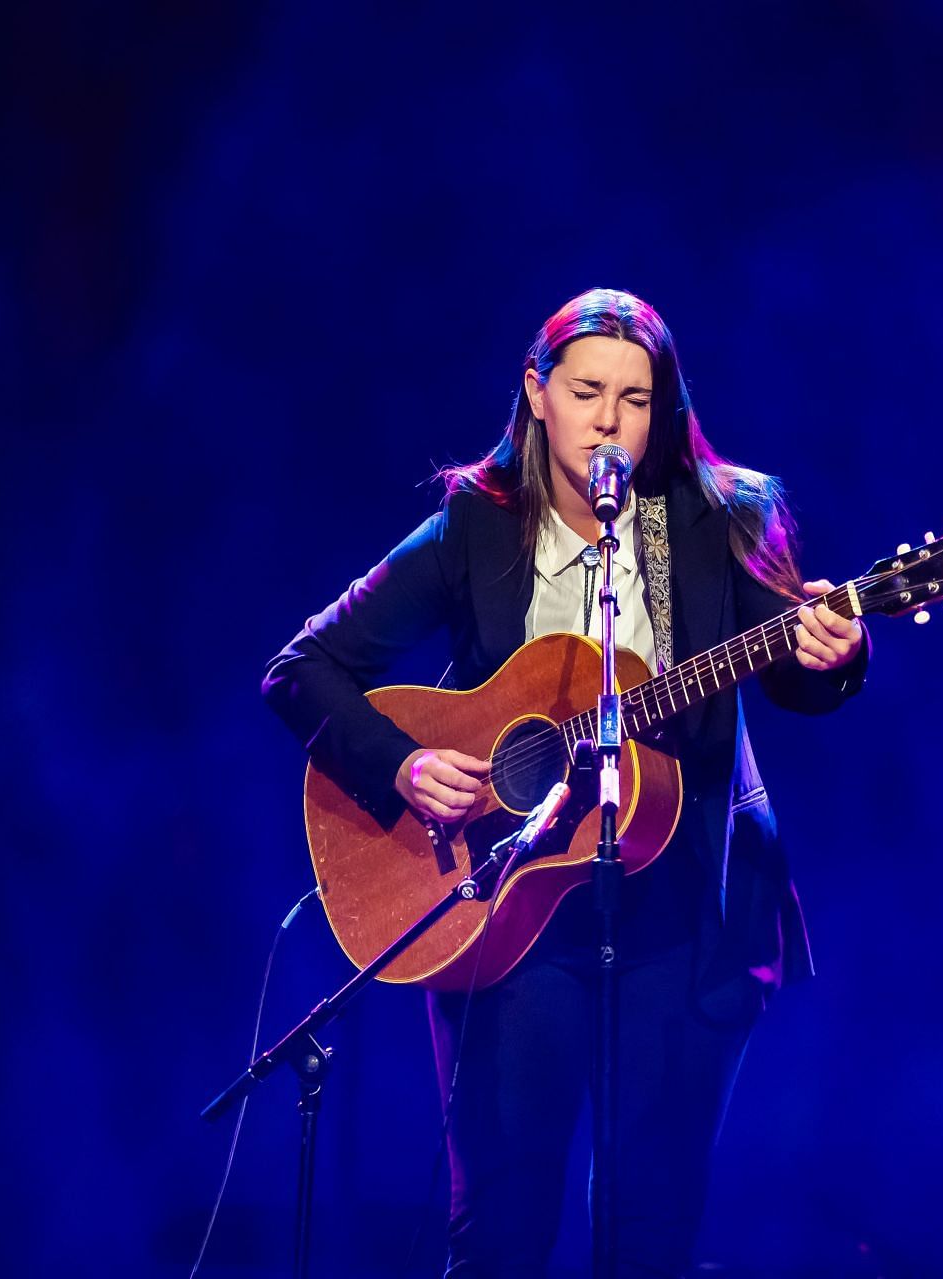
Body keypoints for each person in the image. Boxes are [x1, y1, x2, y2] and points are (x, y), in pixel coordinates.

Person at [262, 287, 868, 1277]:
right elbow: (301, 668)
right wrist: (406, 765)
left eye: (637, 399)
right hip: (505, 913)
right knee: (499, 1236)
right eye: (588, 391)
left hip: (684, 921)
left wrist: (832, 649)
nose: (610, 421)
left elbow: (799, 671)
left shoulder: (720, 516)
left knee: (648, 1235)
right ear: (537, 393)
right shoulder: (476, 523)